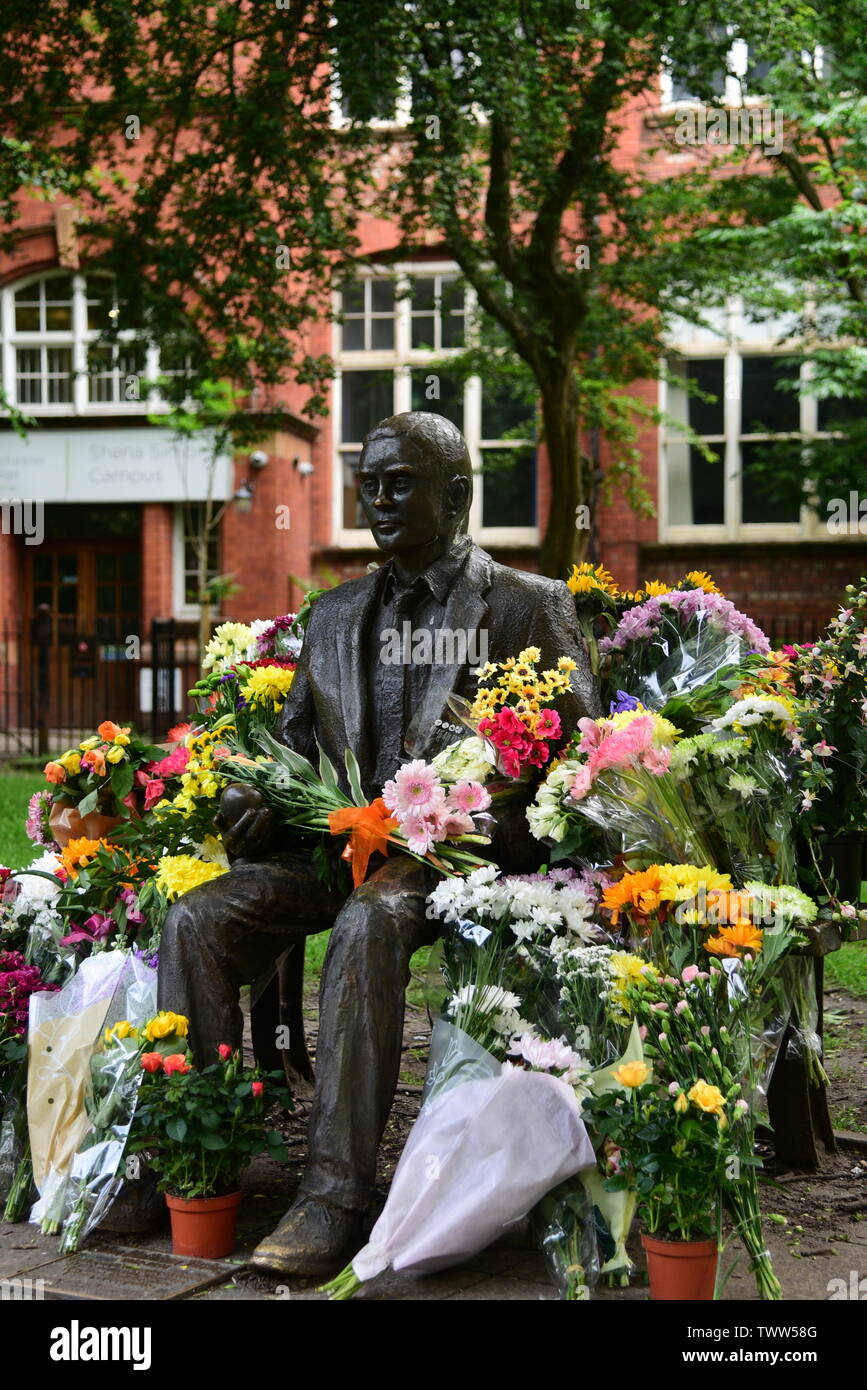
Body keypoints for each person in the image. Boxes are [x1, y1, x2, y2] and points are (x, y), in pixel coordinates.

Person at [156, 410, 602, 1277]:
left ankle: (334, 1196)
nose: (381, 501)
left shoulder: (525, 604)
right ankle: (194, 1162)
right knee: (196, 918)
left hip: (461, 859)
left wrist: (485, 826)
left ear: (457, 495)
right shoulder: (333, 614)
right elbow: (290, 747)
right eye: (370, 485)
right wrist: (255, 796)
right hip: (340, 844)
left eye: (403, 484)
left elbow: (582, 767)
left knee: (369, 920)